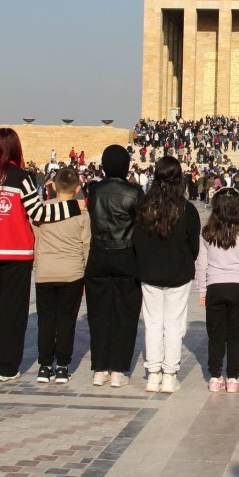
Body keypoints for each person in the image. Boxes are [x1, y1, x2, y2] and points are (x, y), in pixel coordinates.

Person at [0, 128, 81, 383]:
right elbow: (38, 213)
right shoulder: (21, 177)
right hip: (15, 253)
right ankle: (5, 367)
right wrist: (72, 206)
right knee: (12, 311)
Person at [133, 156, 200, 394]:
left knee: (152, 323)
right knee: (173, 324)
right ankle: (170, 375)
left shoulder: (144, 207)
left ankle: (153, 374)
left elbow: (137, 241)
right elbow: (194, 246)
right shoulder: (187, 209)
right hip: (178, 274)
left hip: (149, 273)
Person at [84, 144, 144, 388]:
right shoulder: (134, 193)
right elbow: (140, 227)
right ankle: (118, 369)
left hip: (98, 255)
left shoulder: (95, 191)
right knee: (125, 314)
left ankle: (100, 368)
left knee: (98, 314)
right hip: (125, 256)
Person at [195, 187, 239, 392]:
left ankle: (215, 376)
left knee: (215, 334)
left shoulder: (207, 233)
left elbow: (201, 265)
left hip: (215, 287)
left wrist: (202, 290)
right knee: (235, 335)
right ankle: (232, 377)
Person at [33, 167, 91, 384]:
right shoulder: (82, 215)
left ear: (53, 186)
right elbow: (86, 245)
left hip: (45, 272)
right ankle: (63, 367)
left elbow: (36, 238)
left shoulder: (42, 211)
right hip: (72, 273)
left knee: (46, 320)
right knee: (67, 320)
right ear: (77, 189)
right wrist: (86, 274)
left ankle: (45, 365)